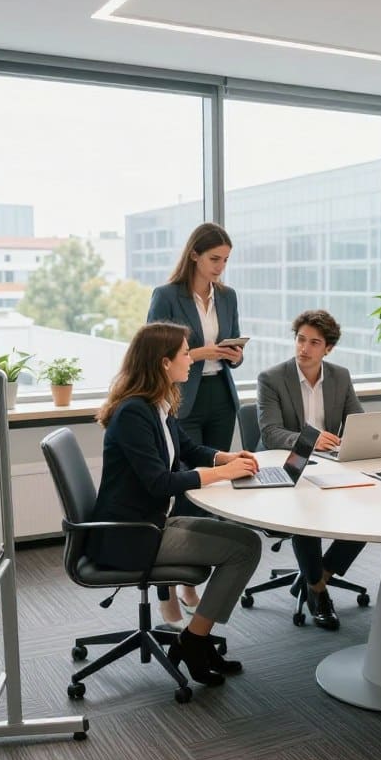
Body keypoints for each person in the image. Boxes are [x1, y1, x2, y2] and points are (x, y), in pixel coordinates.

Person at [89, 322, 262, 686]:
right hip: (131, 535)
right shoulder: (134, 412)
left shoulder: (157, 405)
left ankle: (195, 638)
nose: (191, 358)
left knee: (244, 541)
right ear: (164, 362)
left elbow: (189, 449)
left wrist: (226, 456)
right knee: (245, 549)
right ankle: (194, 641)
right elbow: (159, 483)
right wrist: (223, 473)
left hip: (153, 523)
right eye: (185, 353)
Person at [147, 223, 244, 626]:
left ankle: (193, 577)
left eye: (225, 260)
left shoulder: (227, 296)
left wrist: (234, 355)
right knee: (180, 489)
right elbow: (153, 348)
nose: (221, 267)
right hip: (182, 400)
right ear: (194, 256)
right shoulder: (167, 296)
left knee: (214, 485)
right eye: (214, 259)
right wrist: (203, 351)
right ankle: (167, 585)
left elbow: (233, 342)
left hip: (219, 395)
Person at [256, 310, 365, 630]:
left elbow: (357, 420)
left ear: (327, 348)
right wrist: (311, 439)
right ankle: (317, 590)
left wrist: (358, 438)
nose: (304, 347)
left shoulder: (340, 376)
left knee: (370, 510)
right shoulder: (272, 377)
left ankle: (318, 574)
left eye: (314, 342)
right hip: (287, 466)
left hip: (328, 466)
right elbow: (270, 433)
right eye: (300, 339)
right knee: (306, 516)